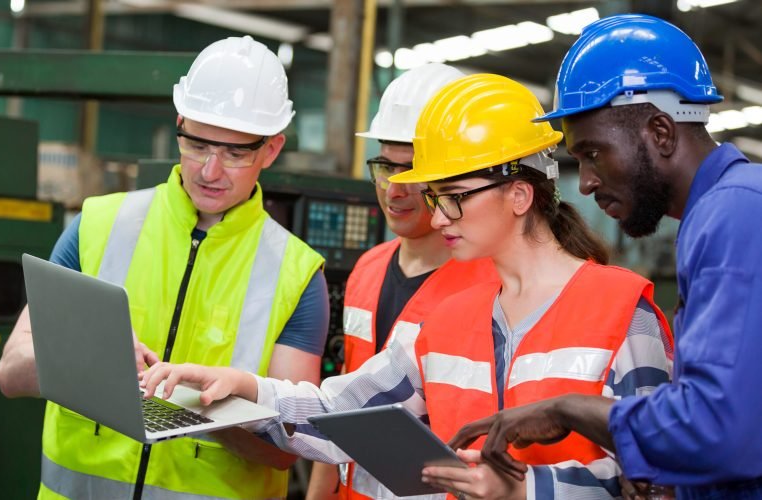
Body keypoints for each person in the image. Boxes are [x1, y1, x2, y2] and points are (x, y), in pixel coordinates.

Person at [140, 73, 674, 499]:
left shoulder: (622, 313)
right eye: (434, 194)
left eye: (453, 194)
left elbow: (662, 475)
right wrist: (243, 387)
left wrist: (525, 490)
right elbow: (341, 414)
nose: (437, 214)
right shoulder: (443, 319)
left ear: (518, 194)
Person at [0, 35, 328, 499]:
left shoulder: (298, 275)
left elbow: (288, 450)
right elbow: (10, 372)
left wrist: (199, 409)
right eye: (196, 144)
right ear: (179, 123)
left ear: (271, 150)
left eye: (235, 153)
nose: (210, 171)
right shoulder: (96, 225)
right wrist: (90, 366)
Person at [447, 14, 762, 499]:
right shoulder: (722, 212)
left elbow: (718, 428)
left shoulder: (734, 214)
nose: (587, 181)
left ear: (660, 132)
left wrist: (567, 410)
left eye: (593, 153)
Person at [306, 63, 499, 500]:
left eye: (412, 173)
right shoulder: (368, 269)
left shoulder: (492, 287)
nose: (394, 189)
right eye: (384, 167)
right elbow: (341, 408)